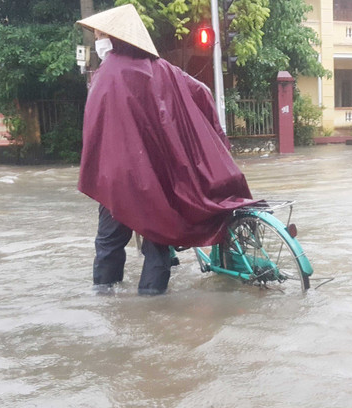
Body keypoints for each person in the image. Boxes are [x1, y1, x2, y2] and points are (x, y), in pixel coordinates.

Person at [76, 5, 254, 296]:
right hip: (156, 177)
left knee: (109, 242)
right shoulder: (164, 70)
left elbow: (97, 130)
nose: (98, 42)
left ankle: (105, 299)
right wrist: (212, 138)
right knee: (157, 239)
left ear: (113, 38)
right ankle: (153, 300)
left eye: (99, 36)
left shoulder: (107, 73)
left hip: (118, 177)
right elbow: (203, 92)